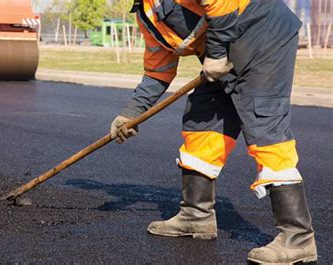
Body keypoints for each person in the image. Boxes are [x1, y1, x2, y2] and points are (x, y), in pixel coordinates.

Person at [110, 0, 317, 263]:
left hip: (263, 38)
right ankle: (196, 216)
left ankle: (298, 238)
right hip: (223, 55)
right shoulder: (146, 14)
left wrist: (217, 53)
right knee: (202, 119)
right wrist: (131, 112)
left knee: (264, 124)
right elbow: (158, 70)